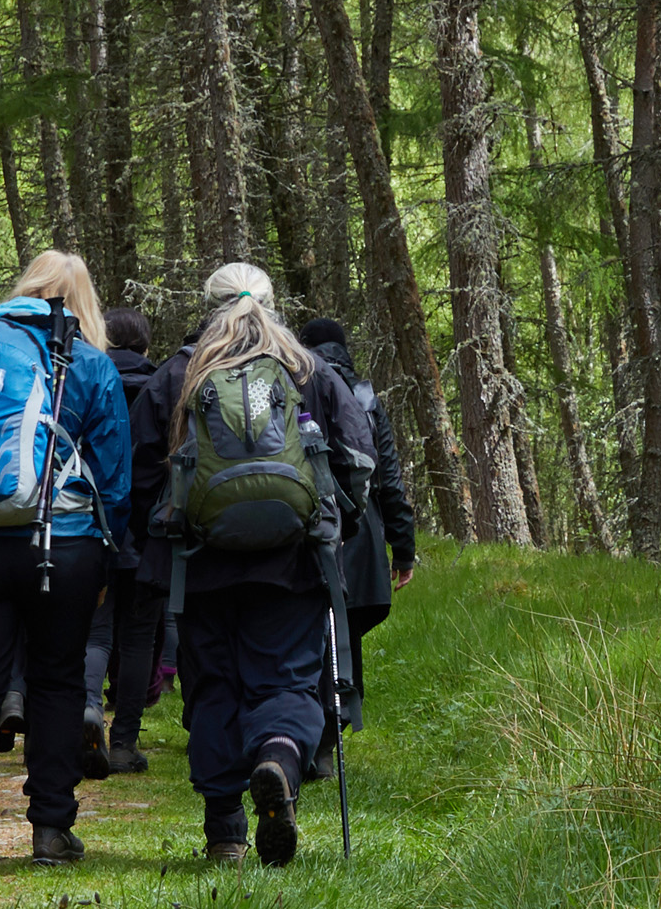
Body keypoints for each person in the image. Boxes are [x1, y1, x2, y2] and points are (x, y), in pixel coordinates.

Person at [0, 248, 138, 882]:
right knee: (58, 681)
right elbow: (115, 480)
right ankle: (51, 828)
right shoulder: (90, 365)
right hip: (61, 546)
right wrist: (106, 554)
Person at [153, 261, 352, 867]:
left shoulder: (180, 376)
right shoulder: (309, 370)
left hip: (200, 566)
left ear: (208, 306)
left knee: (214, 687)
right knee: (286, 681)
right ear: (273, 302)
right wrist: (333, 527)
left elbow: (140, 473)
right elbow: (358, 456)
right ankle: (279, 761)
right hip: (291, 563)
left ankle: (225, 835)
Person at [295, 310, 424, 678]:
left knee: (310, 621)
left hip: (309, 520)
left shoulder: (294, 386)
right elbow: (388, 479)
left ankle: (310, 711)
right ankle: (344, 704)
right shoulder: (366, 398)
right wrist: (403, 551)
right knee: (347, 627)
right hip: (360, 527)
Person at [95, 304, 176, 772]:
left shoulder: (88, 380)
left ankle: (87, 712)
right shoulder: (162, 386)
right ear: (145, 346)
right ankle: (123, 740)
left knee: (96, 632)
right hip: (147, 531)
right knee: (139, 636)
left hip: (95, 526)